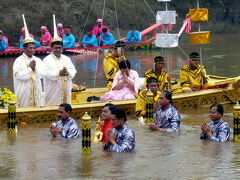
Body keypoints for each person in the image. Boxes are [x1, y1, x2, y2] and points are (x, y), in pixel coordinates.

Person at [43, 22, 77, 106]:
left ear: (62, 48)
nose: (58, 50)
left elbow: (74, 70)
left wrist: (67, 72)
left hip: (66, 90)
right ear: (51, 48)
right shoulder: (47, 60)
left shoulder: (66, 58)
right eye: (56, 48)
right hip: (53, 91)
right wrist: (58, 73)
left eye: (59, 48)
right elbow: (44, 73)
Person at [13, 25, 44, 107]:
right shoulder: (18, 61)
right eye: (30, 48)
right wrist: (30, 68)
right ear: (24, 48)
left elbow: (43, 74)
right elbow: (19, 76)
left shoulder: (38, 60)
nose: (32, 50)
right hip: (24, 93)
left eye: (34, 48)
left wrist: (35, 69)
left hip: (37, 91)